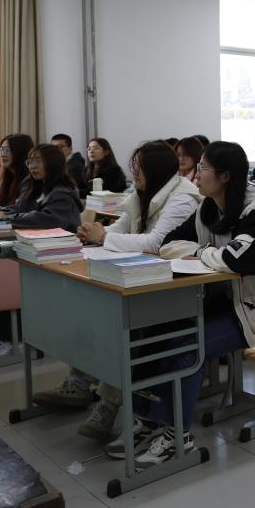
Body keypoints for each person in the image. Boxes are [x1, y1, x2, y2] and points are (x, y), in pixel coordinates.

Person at [115, 141, 255, 468]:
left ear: (225, 176)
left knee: (187, 346)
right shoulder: (208, 209)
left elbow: (242, 260)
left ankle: (176, 433)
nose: (194, 175)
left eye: (202, 169)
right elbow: (169, 244)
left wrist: (199, 253)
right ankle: (153, 418)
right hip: (228, 304)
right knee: (157, 329)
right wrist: (207, 255)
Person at [36, 141, 204, 442]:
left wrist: (104, 238)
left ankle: (108, 402)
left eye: (138, 166)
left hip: (174, 288)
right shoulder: (144, 192)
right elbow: (123, 227)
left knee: (119, 325)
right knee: (95, 312)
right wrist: (97, 233)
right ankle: (81, 381)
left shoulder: (183, 198)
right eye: (133, 165)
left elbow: (155, 242)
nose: (133, 171)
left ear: (155, 169)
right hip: (140, 278)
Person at [0, 144, 84, 232]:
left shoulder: (63, 194)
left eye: (38, 161)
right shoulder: (37, 188)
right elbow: (22, 207)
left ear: (53, 163)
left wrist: (7, 219)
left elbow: (44, 220)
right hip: (38, 241)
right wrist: (4, 214)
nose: (32, 166)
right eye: (30, 162)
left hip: (62, 243)